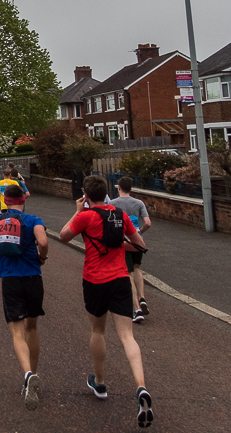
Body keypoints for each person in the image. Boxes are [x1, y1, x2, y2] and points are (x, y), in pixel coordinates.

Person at [59, 175, 153, 428]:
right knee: (127, 336)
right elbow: (140, 246)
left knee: (98, 330)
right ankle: (141, 387)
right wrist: (119, 246)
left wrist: (76, 211)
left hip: (94, 280)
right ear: (106, 193)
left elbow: (63, 236)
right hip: (120, 279)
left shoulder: (85, 216)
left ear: (86, 195)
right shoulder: (119, 215)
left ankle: (100, 383)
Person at [0, 185, 49, 410]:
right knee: (32, 328)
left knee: (17, 332)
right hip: (33, 277)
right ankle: (35, 373)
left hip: (10, 279)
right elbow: (44, 242)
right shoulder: (33, 220)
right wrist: (41, 257)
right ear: (22, 200)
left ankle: (28, 374)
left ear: (6, 201)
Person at [110, 177, 152, 323]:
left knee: (128, 273)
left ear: (119, 188)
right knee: (137, 268)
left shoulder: (112, 204)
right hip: (137, 240)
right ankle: (142, 298)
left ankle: (137, 309)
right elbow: (148, 222)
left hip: (124, 241)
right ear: (131, 189)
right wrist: (139, 231)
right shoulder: (139, 203)